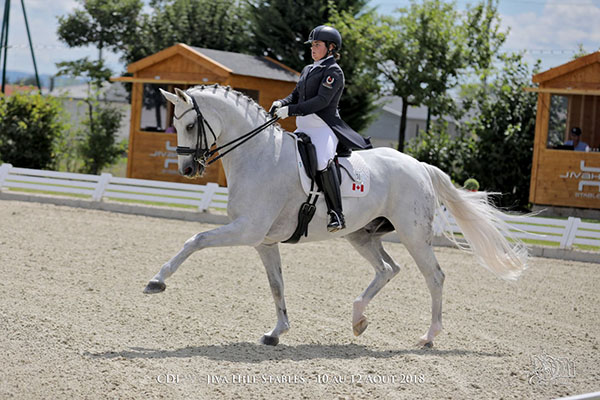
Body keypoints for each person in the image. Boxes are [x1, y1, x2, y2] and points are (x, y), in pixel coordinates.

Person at [269, 25, 372, 233]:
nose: (312, 49)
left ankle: (336, 213)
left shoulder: (333, 71)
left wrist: (292, 110)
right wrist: (282, 103)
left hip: (324, 128)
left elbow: (321, 101)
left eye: (317, 45)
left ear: (331, 48)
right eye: (312, 45)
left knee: (324, 160)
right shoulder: (309, 69)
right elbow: (295, 95)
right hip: (303, 128)